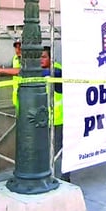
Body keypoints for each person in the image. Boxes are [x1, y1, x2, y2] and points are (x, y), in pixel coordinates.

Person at [41, 46, 67, 182]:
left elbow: (41, 73)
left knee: (58, 151)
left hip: (58, 118)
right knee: (47, 151)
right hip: (46, 119)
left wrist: (2, 70)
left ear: (51, 58)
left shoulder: (56, 71)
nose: (40, 59)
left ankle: (63, 178)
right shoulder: (46, 70)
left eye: (44, 57)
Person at [0, 39, 22, 109]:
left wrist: (0, 70)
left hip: (26, 92)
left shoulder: (28, 58)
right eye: (16, 47)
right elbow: (12, 69)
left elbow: (19, 71)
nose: (18, 50)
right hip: (16, 92)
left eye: (20, 47)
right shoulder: (15, 58)